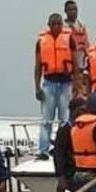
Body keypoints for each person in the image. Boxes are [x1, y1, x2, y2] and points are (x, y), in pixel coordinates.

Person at [34, 13, 78, 160]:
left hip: (66, 83)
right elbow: (38, 66)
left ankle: (64, 150)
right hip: (49, 83)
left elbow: (75, 63)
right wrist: (37, 87)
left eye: (59, 23)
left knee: (64, 120)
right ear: (48, 24)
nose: (56, 26)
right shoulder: (41, 41)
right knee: (46, 119)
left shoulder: (69, 39)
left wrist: (76, 84)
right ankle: (43, 150)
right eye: (53, 23)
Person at [53, 97, 87, 192]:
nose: (84, 113)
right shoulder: (64, 130)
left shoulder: (84, 128)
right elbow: (58, 155)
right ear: (73, 111)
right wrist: (61, 177)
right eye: (81, 110)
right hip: (70, 176)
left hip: (83, 174)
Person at [64, 0, 89, 72]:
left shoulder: (81, 26)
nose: (73, 12)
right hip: (67, 63)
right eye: (71, 9)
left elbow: (86, 44)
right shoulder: (62, 26)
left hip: (80, 63)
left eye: (75, 9)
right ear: (65, 11)